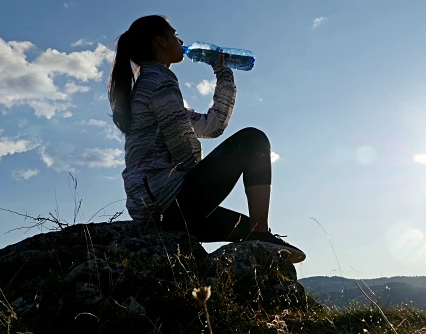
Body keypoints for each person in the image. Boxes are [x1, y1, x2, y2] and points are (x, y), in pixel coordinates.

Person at [108, 15, 305, 263]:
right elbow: (183, 147)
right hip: (168, 204)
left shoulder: (153, 85)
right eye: (175, 34)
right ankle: (262, 233)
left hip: (160, 207)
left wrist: (222, 73)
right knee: (253, 140)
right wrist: (206, 184)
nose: (180, 40)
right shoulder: (158, 84)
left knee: (244, 229)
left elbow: (211, 126)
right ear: (161, 42)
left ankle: (258, 235)